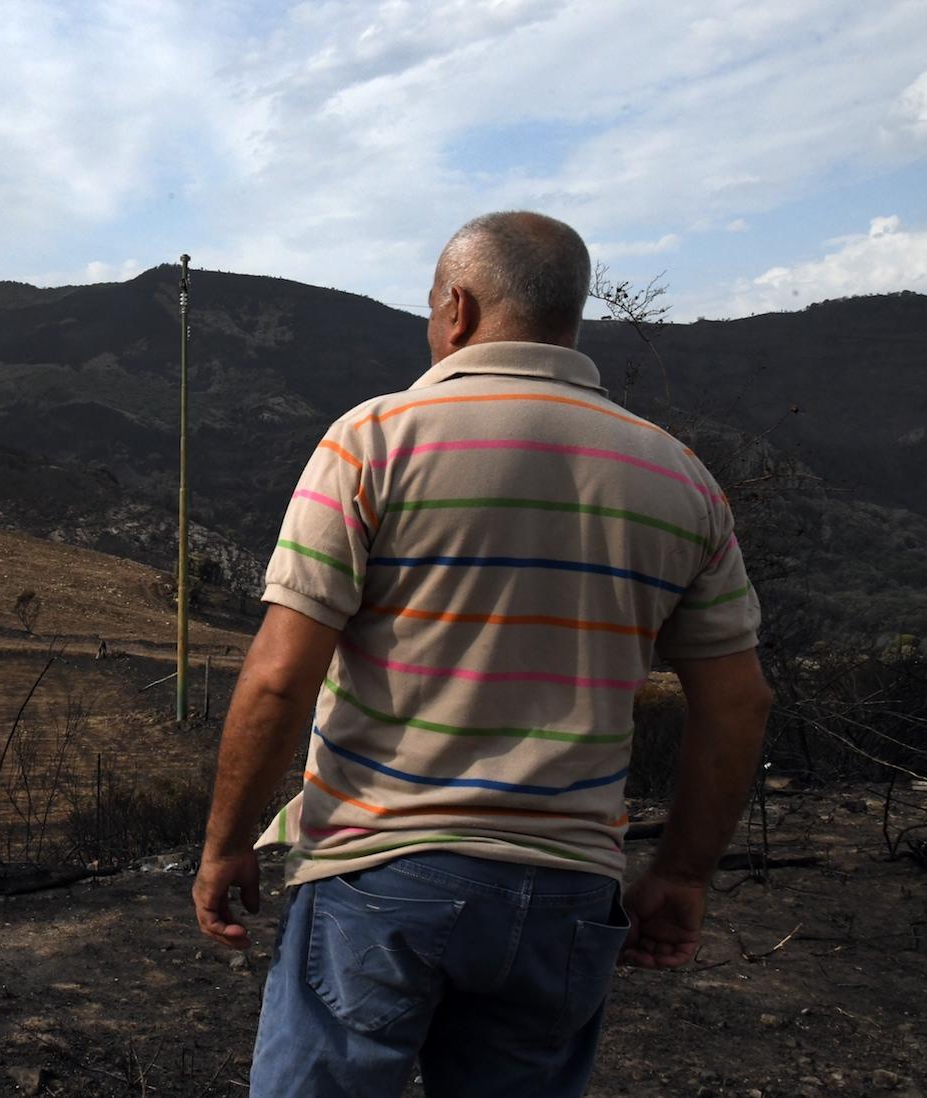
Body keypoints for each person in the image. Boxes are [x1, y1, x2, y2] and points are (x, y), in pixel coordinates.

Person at [192, 211, 771, 1097]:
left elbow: (278, 677)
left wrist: (226, 843)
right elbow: (738, 703)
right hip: (567, 893)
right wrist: (682, 871)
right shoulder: (679, 478)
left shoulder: (372, 441)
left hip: (378, 875)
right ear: (569, 317)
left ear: (454, 308)